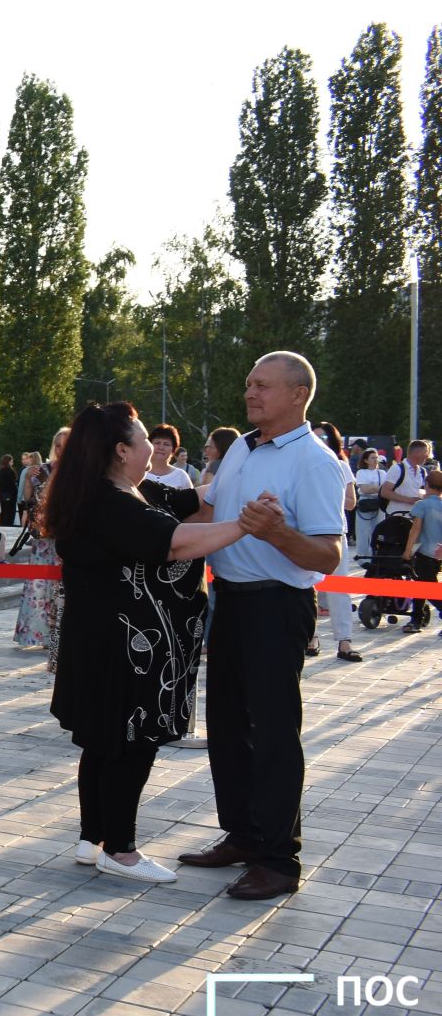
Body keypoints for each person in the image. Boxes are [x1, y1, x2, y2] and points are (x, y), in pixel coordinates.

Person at [42, 403, 251, 884]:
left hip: (106, 641)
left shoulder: (123, 491)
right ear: (121, 450)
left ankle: (92, 838)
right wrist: (246, 526)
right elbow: (176, 542)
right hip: (125, 648)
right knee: (131, 744)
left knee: (102, 741)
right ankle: (121, 850)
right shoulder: (111, 504)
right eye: (142, 442)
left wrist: (237, 470)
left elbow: (192, 499)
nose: (151, 451)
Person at [177, 352, 346, 902]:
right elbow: (209, 514)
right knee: (228, 728)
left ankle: (278, 860)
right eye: (249, 383)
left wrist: (276, 533)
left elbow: (328, 555)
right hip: (228, 602)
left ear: (298, 394)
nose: (250, 393)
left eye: (263, 386)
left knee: (273, 733)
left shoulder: (315, 462)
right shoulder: (242, 448)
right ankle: (244, 836)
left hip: (276, 606)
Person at [13, 428, 71, 657]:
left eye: (65, 445)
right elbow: (28, 500)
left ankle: (62, 634)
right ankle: (41, 635)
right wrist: (29, 479)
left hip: (68, 537)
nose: (61, 449)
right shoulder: (44, 469)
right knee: (40, 587)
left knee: (62, 588)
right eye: (57, 445)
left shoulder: (81, 470)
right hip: (44, 538)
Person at [310, 422, 360, 662]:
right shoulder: (304, 464)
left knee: (338, 587)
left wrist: (328, 496)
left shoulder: (341, 465)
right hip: (308, 531)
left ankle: (344, 640)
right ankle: (311, 636)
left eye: (323, 438)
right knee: (309, 586)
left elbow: (351, 502)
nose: (319, 442)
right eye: (315, 437)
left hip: (334, 531)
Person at [403, 471, 442, 615]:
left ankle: (417, 617)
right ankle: (417, 617)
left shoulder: (422, 505)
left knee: (428, 589)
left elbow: (415, 529)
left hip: (424, 552)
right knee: (421, 585)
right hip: (438, 555)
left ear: (427, 485)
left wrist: (408, 551)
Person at [353, 448, 389, 558]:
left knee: (378, 530)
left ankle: (376, 554)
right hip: (365, 502)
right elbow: (365, 489)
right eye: (372, 458)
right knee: (363, 531)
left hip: (379, 503)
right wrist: (378, 488)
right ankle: (362, 556)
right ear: (366, 460)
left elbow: (386, 488)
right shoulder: (361, 472)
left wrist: (373, 487)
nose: (375, 460)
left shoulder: (382, 473)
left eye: (376, 458)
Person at [382, 438, 431, 517]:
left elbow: (423, 491)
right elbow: (385, 492)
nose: (427, 456)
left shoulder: (422, 471)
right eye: (425, 452)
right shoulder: (397, 469)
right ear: (417, 453)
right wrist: (409, 500)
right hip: (396, 515)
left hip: (414, 516)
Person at [144, 423, 192, 489]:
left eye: (166, 444)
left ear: (173, 449)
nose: (161, 447)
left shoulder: (181, 476)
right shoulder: (138, 473)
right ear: (149, 445)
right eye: (157, 443)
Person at [0, 454, 20, 526]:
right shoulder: (9, 471)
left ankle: (2, 524)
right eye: (11, 461)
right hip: (10, 494)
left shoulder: (1, 471)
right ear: (8, 462)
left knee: (4, 510)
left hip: (2, 494)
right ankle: (8, 524)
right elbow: (12, 483)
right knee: (10, 511)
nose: (12, 463)